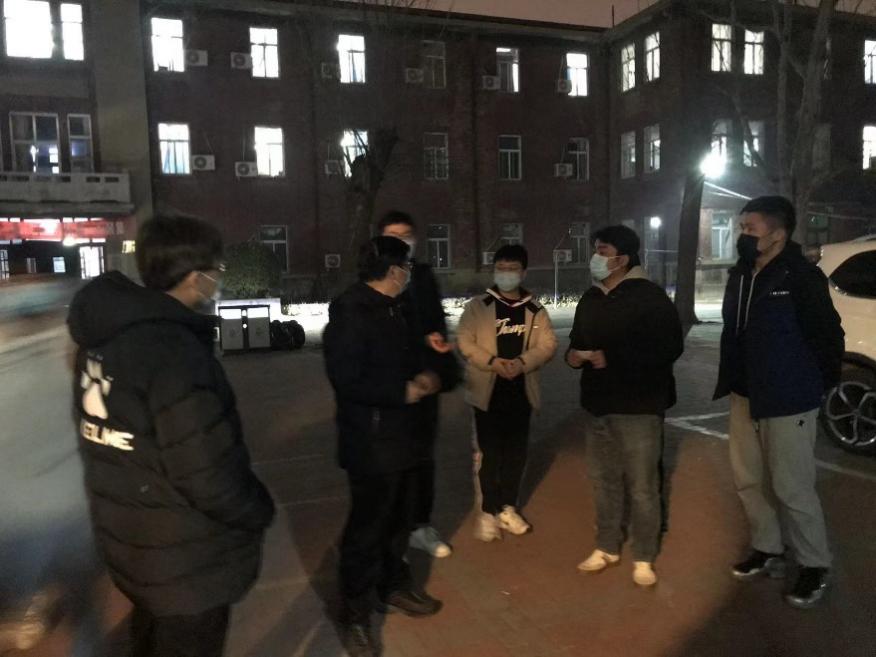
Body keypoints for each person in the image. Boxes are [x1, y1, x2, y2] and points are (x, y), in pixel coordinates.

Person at [67, 215, 276, 657]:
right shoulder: (174, 353)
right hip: (186, 559)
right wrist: (258, 509)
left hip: (135, 539)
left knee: (149, 636)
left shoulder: (102, 339)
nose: (218, 280)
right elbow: (207, 474)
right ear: (195, 277)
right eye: (217, 270)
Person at [714, 196, 844, 609]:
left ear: (778, 234)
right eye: (741, 227)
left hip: (788, 399)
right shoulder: (740, 275)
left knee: (792, 486)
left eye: (750, 228)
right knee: (749, 480)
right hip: (744, 394)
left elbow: (829, 337)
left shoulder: (801, 276)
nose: (742, 235)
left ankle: (814, 563)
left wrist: (813, 386)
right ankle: (767, 547)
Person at [323, 236, 443, 657]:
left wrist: (427, 372)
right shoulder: (351, 313)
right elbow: (346, 379)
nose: (409, 273)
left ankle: (392, 585)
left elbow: (410, 356)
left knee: (399, 521)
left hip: (406, 436)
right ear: (393, 271)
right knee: (367, 529)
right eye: (406, 266)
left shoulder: (399, 307)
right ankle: (354, 614)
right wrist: (400, 391)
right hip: (371, 443)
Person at [567, 225, 683, 588]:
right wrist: (573, 356)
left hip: (639, 407)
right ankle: (607, 546)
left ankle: (644, 555)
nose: (596, 257)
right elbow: (576, 341)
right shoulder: (591, 298)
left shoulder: (650, 298)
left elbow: (669, 347)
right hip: (597, 405)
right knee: (604, 481)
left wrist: (614, 357)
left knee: (643, 486)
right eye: (596, 250)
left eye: (603, 251)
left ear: (622, 259)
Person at [456, 244, 557, 542]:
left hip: (521, 392)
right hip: (487, 392)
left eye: (512, 269)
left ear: (523, 273)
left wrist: (523, 363)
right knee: (490, 453)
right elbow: (465, 341)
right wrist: (492, 362)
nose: (506, 274)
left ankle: (507, 507)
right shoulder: (478, 307)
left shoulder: (534, 310)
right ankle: (488, 511)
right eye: (501, 268)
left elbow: (548, 344)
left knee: (516, 453)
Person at [378, 211, 458, 560]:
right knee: (392, 462)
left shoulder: (423, 276)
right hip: (390, 388)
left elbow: (434, 321)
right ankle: (393, 533)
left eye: (406, 234)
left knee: (423, 456)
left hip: (425, 382)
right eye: (393, 235)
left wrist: (434, 342)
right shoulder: (372, 280)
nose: (401, 241)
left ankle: (420, 526)